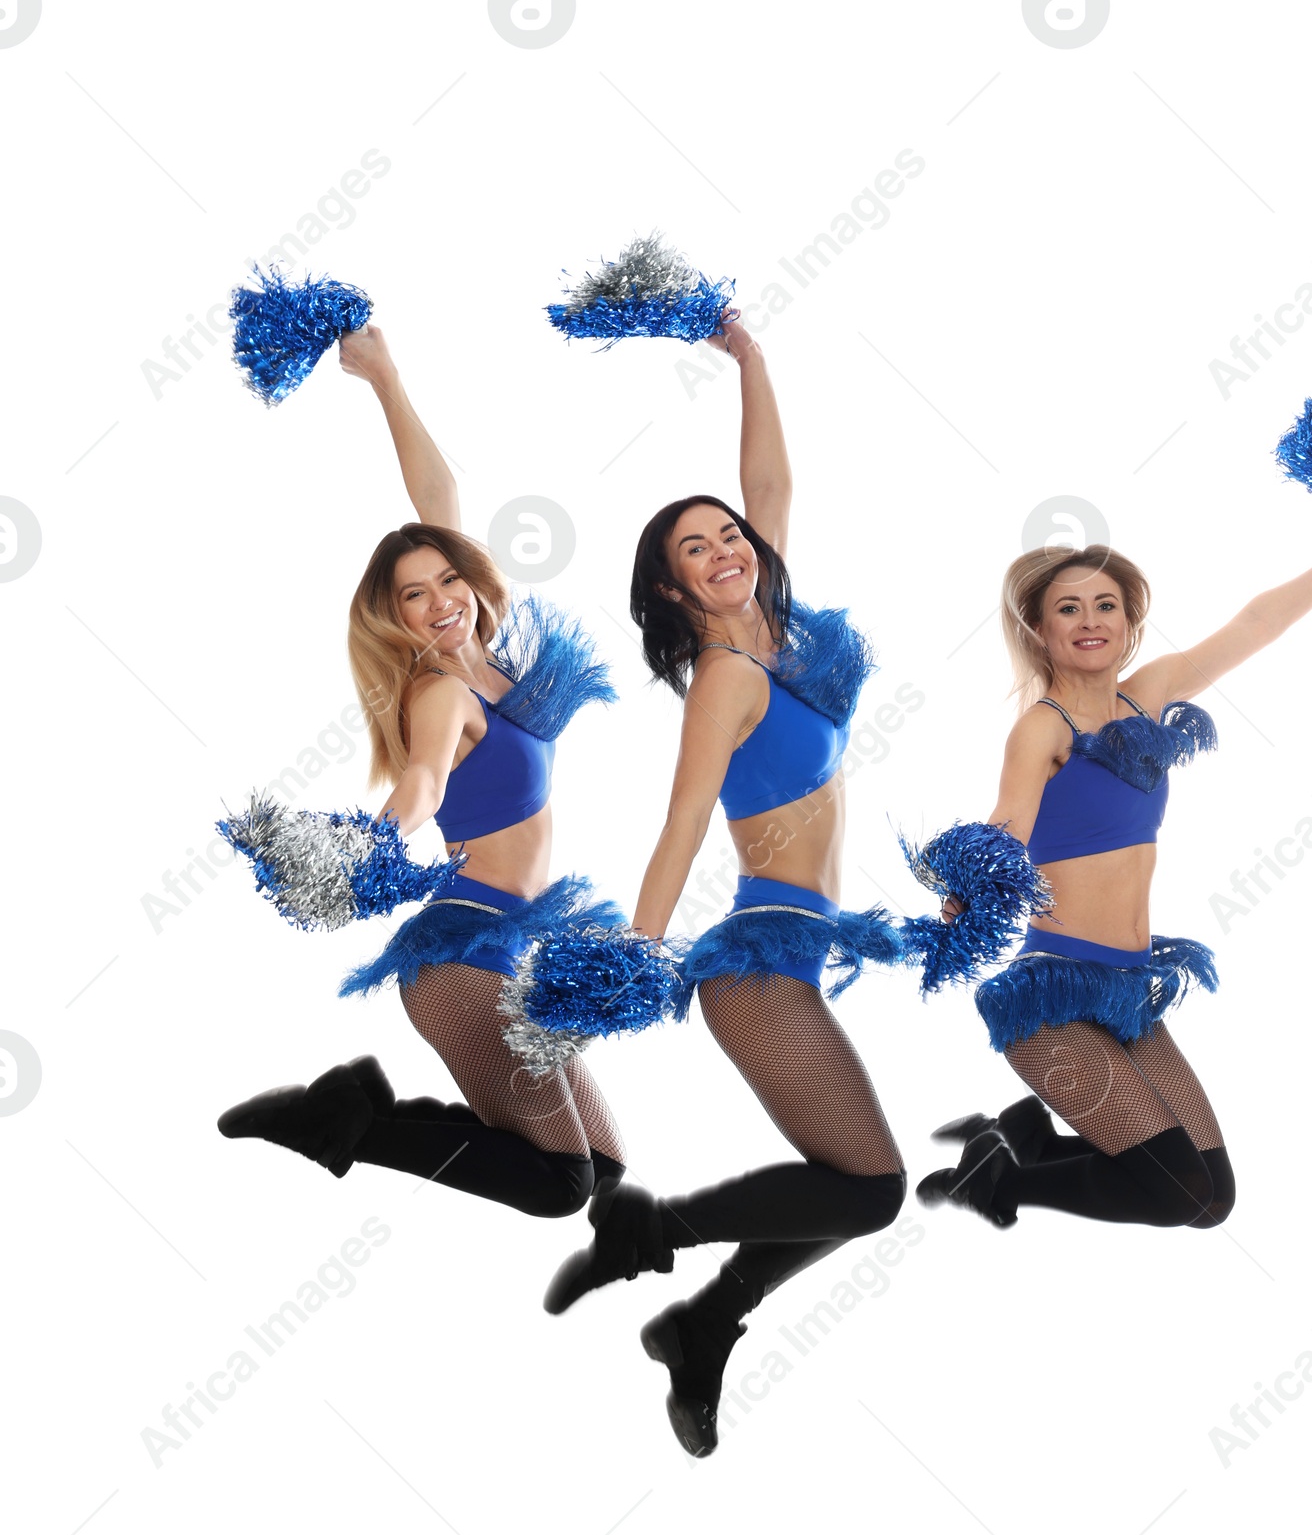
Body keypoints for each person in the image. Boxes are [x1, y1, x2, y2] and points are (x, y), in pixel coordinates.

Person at [542, 313, 907, 1457]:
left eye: (725, 536)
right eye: (692, 550)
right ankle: (656, 1237)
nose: (723, 550)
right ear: (671, 588)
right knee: (872, 1189)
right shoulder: (724, 675)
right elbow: (681, 824)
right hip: (755, 964)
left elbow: (768, 483)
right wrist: (636, 957)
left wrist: (749, 359)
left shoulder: (781, 630)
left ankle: (701, 1326)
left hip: (801, 952)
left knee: (849, 1186)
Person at [218, 324, 627, 1218]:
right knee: (562, 1187)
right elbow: (426, 785)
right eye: (414, 595)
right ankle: (340, 1123)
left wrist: (384, 375)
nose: (439, 602)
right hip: (463, 952)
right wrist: (378, 838)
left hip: (516, 943)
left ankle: (364, 1105)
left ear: (474, 582)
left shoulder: (499, 667)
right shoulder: (441, 691)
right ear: (396, 616)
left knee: (606, 1170)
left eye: (448, 581)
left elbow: (439, 497)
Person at [919, 516, 1312, 1230]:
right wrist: (970, 887)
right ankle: (996, 1177)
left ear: (1130, 623)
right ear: (1040, 630)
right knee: (1177, 1193)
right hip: (1056, 1000)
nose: (1090, 620)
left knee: (1212, 1200)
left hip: (1129, 992)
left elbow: (1255, 625)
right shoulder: (1042, 727)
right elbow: (1007, 824)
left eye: (1106, 605)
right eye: (1068, 608)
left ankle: (1026, 1140)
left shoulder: (1149, 692)